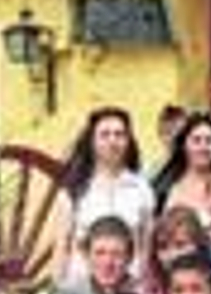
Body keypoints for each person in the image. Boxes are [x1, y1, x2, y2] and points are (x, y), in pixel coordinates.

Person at [60, 106, 156, 276]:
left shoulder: (141, 189)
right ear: (92, 141)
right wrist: (59, 293)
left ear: (128, 141)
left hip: (126, 289)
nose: (113, 141)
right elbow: (63, 246)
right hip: (82, 287)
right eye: (105, 135)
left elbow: (145, 247)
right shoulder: (75, 187)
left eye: (119, 134)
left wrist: (140, 284)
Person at [153, 113, 211, 217]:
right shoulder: (165, 187)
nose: (203, 147)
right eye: (196, 140)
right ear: (184, 145)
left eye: (209, 141)